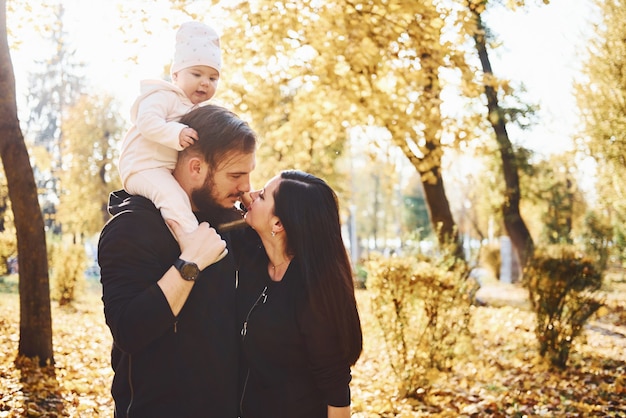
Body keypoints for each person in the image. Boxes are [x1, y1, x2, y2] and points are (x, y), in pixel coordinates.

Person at [98, 104, 257, 417]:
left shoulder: (228, 223)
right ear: (195, 167)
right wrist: (189, 264)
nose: (246, 187)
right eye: (236, 175)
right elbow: (129, 330)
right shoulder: (131, 227)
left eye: (249, 174)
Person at [236, 170, 363, 418]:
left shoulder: (314, 293)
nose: (249, 196)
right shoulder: (252, 255)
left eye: (261, 196)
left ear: (278, 224)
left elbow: (336, 389)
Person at [118, 21, 222, 234]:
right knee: (172, 197)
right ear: (175, 75)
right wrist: (177, 133)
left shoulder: (196, 110)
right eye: (196, 74)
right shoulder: (163, 95)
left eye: (213, 78)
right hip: (142, 166)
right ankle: (192, 240)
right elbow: (146, 121)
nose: (205, 83)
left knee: (190, 195)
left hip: (165, 169)